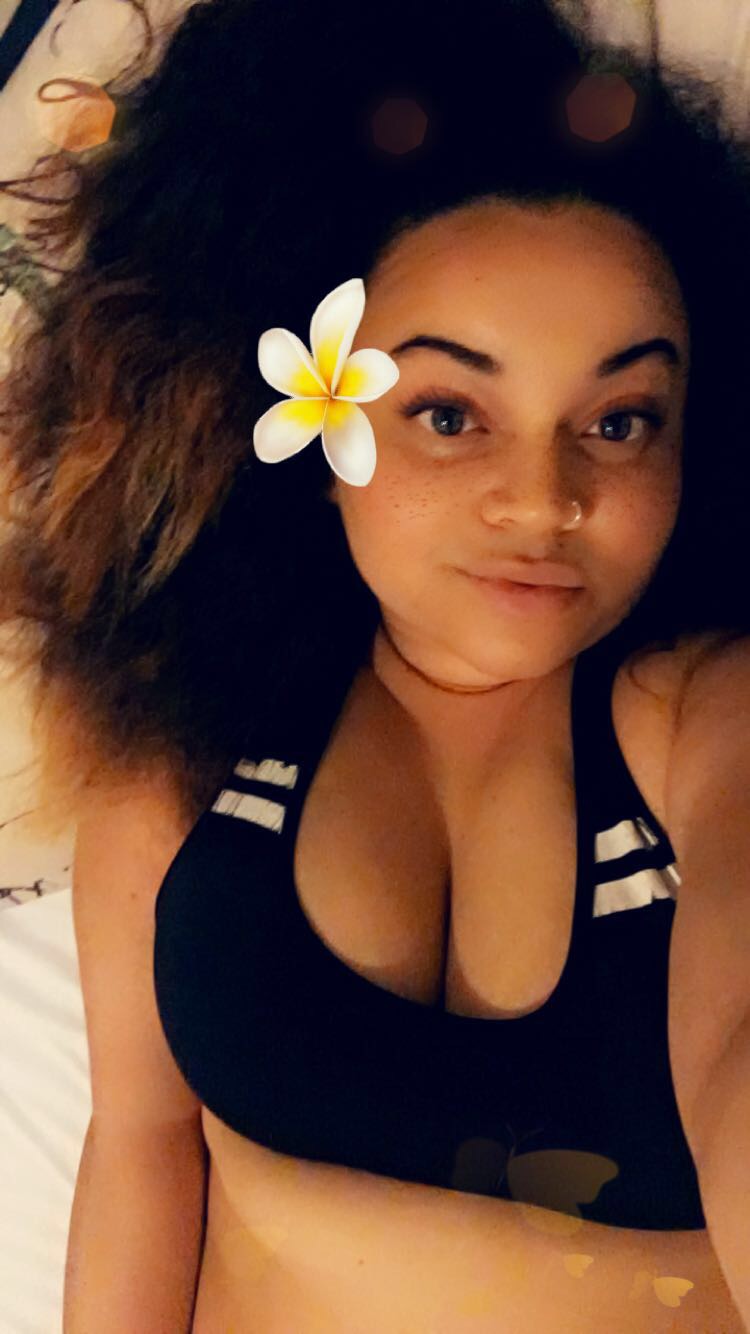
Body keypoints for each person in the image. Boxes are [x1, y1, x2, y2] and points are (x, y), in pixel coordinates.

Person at [1, 0, 749, 1329]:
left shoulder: (705, 722)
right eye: (449, 413)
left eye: (621, 420)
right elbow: (142, 1152)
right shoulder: (186, 751)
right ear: (310, 430)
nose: (543, 499)